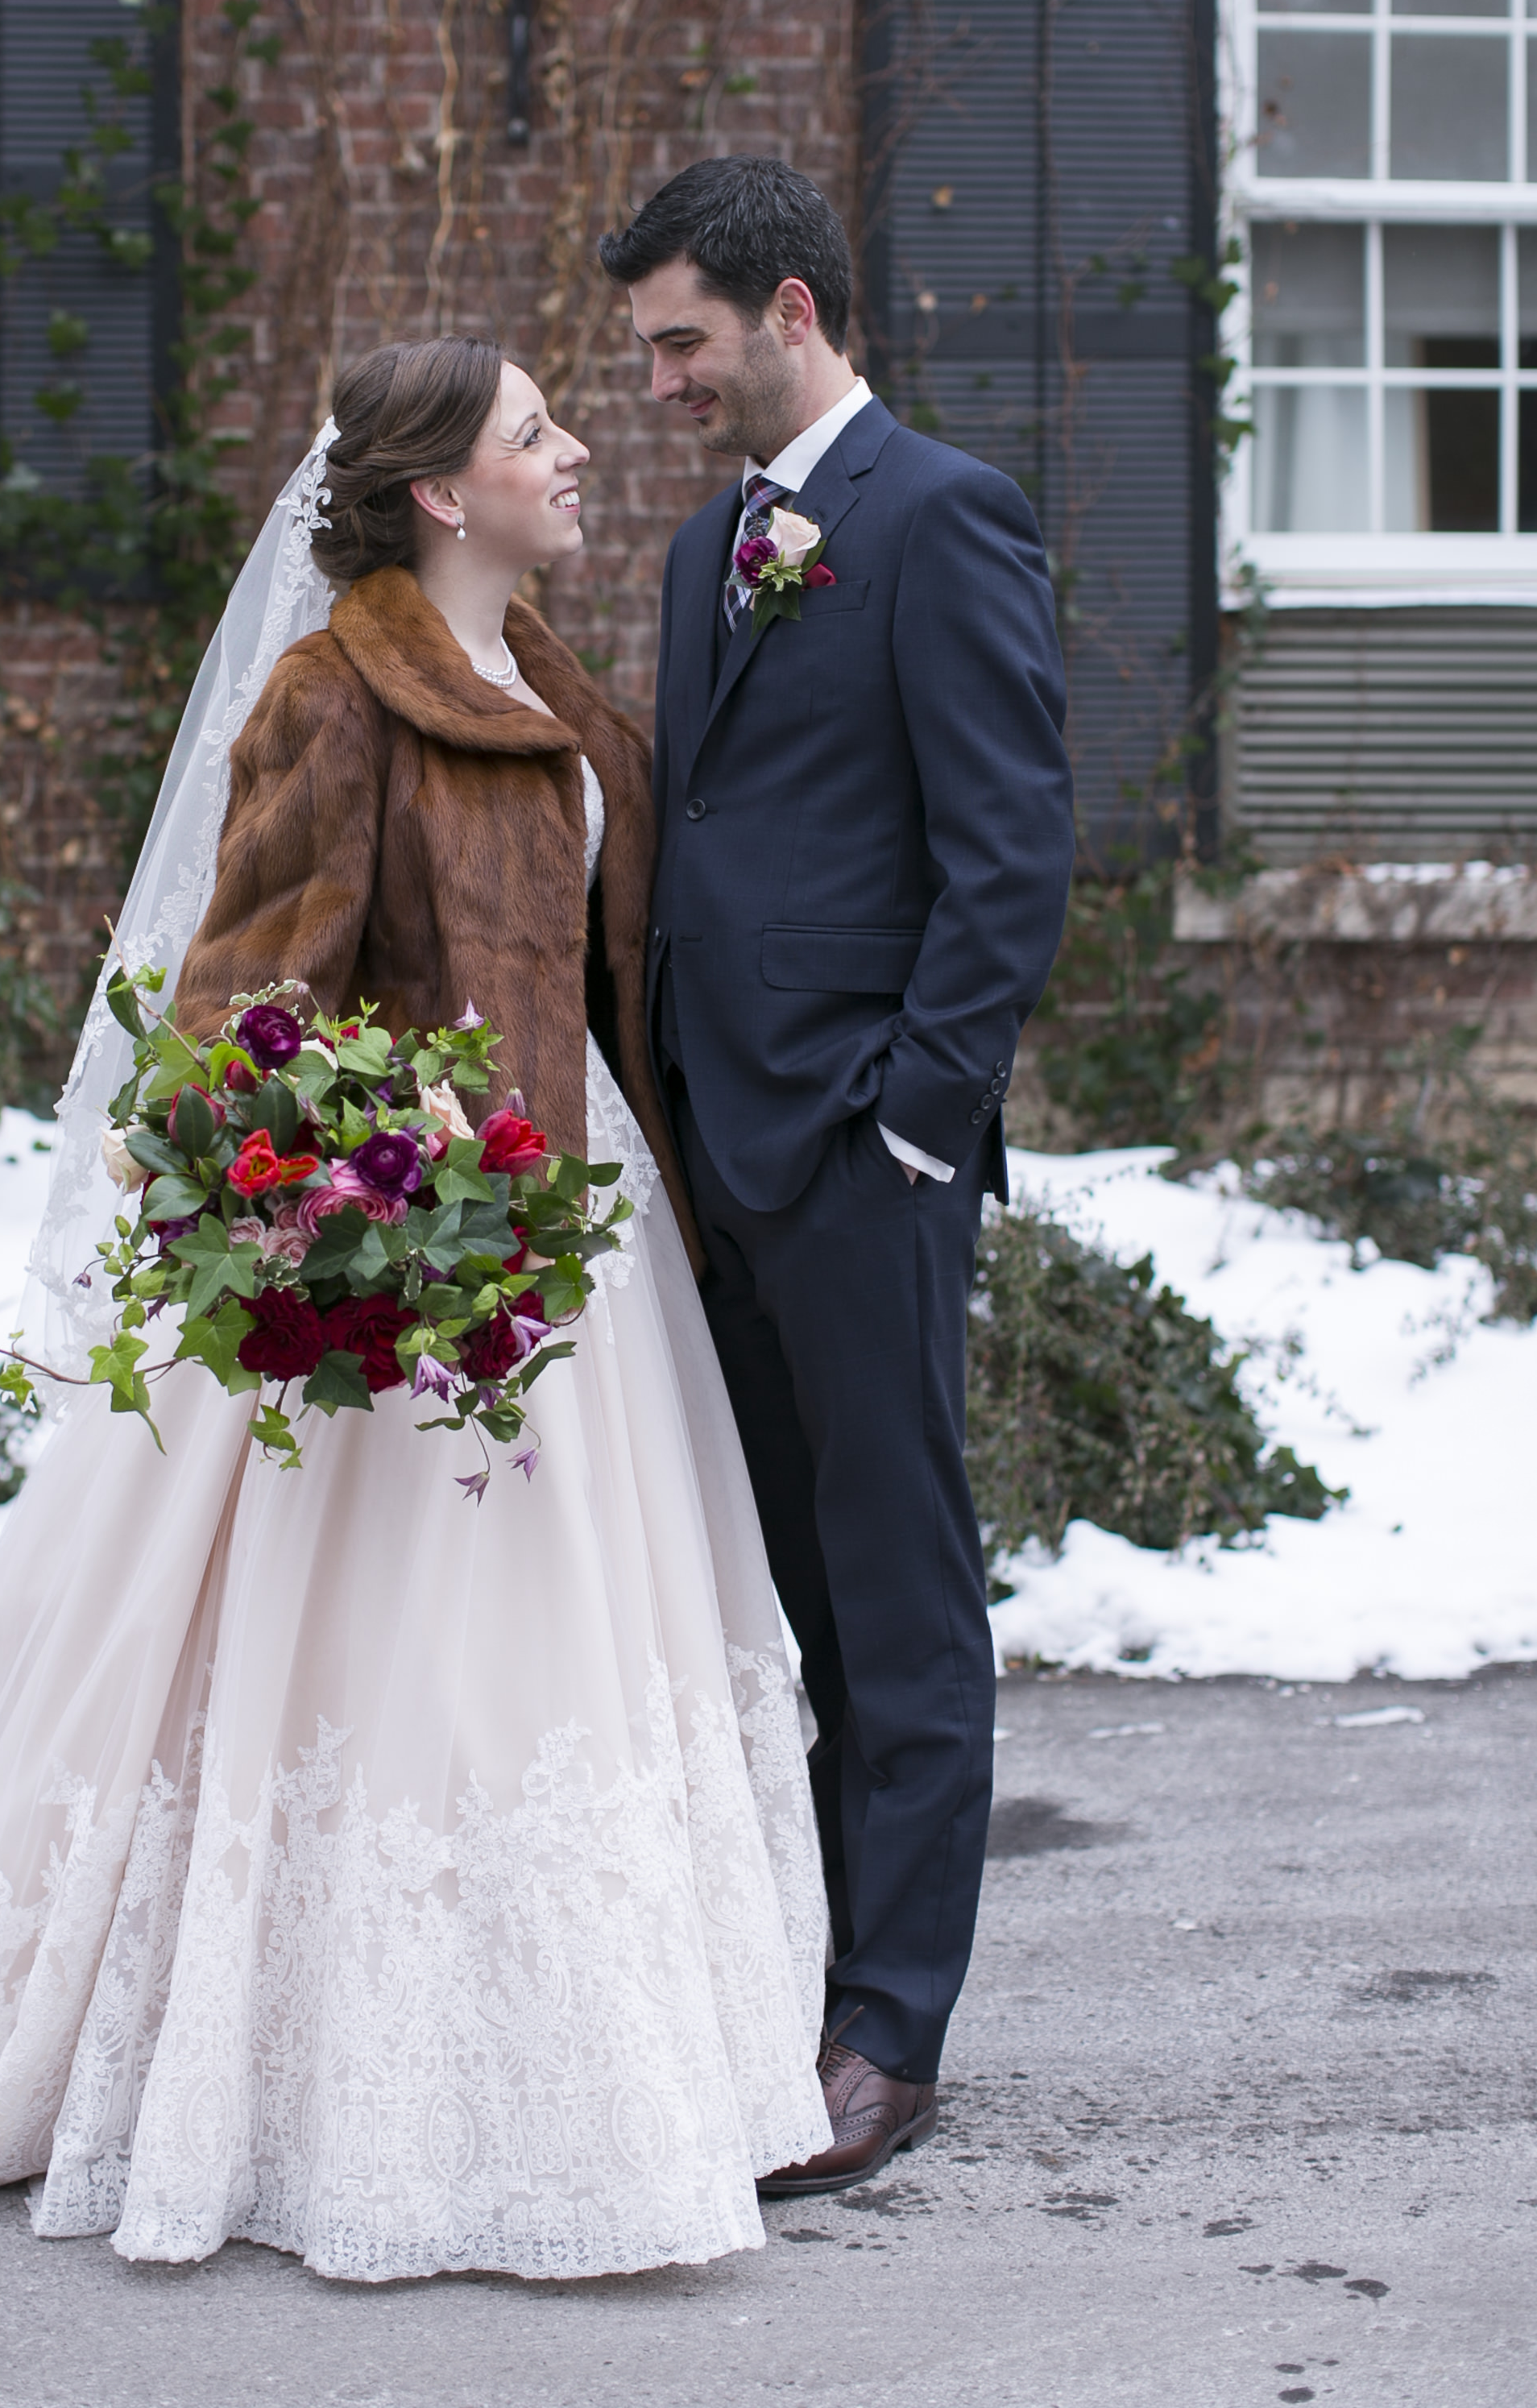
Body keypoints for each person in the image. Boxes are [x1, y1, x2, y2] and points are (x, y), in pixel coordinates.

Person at [0, 336, 829, 2283]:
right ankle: (301, 2078)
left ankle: (605, 2060)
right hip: (415, 1267)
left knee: (584, 1651)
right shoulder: (340, 691)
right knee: (396, 1664)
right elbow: (234, 1017)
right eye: (539, 432)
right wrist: (367, 1181)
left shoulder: (566, 691)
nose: (581, 449)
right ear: (444, 489)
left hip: (587, 1251)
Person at [599, 158, 1074, 2195]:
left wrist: (912, 1117)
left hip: (860, 1160)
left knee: (897, 1598)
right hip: (724, 1155)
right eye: (645, 354)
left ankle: (893, 2031)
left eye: (683, 342)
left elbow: (1013, 854)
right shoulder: (718, 541)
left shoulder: (941, 517)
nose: (661, 384)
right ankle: (799, 1973)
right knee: (782, 1596)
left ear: (794, 308)